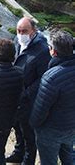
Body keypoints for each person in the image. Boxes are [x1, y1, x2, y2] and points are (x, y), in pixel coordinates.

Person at [6, 17, 51, 164]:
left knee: (28, 133)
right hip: (15, 96)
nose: (20, 34)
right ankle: (18, 153)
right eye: (19, 31)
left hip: (30, 99)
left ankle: (28, 160)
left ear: (34, 31)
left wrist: (27, 92)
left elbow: (43, 77)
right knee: (17, 127)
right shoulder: (18, 41)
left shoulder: (42, 50)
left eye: (24, 31)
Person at [30, 30, 75, 165]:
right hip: (71, 126)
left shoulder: (51, 77)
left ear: (53, 52)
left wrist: (33, 125)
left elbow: (40, 110)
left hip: (51, 130)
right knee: (68, 156)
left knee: (49, 161)